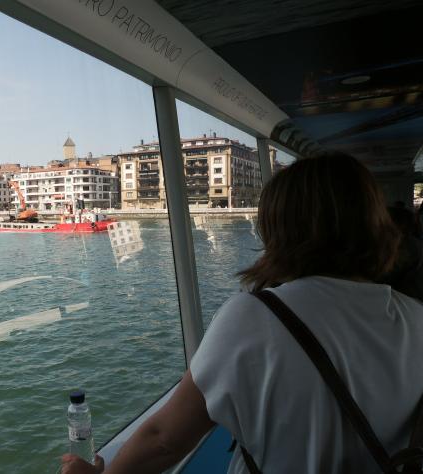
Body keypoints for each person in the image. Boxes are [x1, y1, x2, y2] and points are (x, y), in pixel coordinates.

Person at [61, 153, 423, 474]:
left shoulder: (254, 317)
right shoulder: (416, 317)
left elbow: (164, 440)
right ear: (376, 225)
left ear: (278, 230)